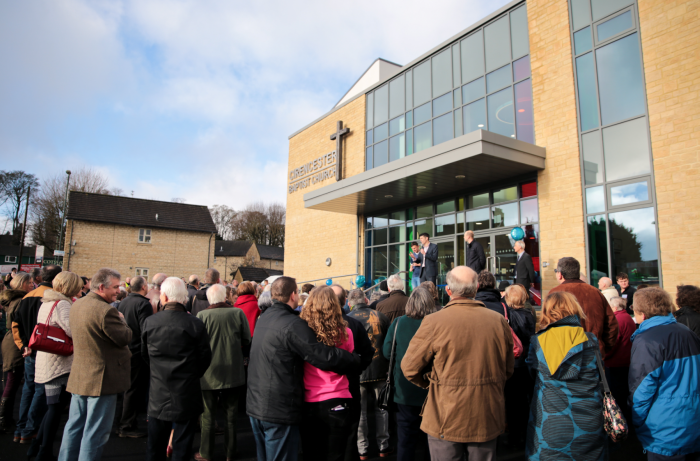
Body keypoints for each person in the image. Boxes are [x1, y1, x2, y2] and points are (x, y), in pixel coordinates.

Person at [402, 266, 514, 460]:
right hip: (485, 411)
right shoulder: (499, 321)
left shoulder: (433, 322)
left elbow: (410, 368)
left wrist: (432, 384)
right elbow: (507, 369)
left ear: (448, 291)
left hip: (445, 414)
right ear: (476, 288)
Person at [246, 276, 360, 461]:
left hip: (257, 403)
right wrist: (354, 359)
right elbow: (320, 355)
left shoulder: (265, 318)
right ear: (293, 295)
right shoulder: (292, 324)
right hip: (279, 407)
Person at [58, 268, 132, 461]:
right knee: (95, 432)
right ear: (101, 287)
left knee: (74, 426)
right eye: (115, 287)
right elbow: (125, 337)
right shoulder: (107, 311)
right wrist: (123, 321)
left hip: (81, 375)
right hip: (101, 379)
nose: (118, 290)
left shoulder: (77, 304)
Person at [526, 291, 607, 460]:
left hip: (551, 423)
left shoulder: (538, 341)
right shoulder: (591, 341)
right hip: (590, 420)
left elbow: (531, 375)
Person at [142, 277, 212, 461]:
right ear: (184, 299)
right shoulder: (194, 323)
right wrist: (192, 374)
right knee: (182, 447)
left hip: (159, 390)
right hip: (186, 390)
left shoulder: (150, 322)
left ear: (163, 297)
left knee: (155, 447)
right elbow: (204, 357)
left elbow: (145, 355)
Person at [629, 287, 700, 460]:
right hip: (692, 420)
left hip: (664, 429)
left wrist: (637, 423)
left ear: (642, 314)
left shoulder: (647, 340)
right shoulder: (687, 332)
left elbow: (640, 390)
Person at [29, 272, 83, 461]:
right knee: (55, 409)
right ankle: (43, 452)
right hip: (59, 364)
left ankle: (36, 448)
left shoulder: (47, 301)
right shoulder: (62, 304)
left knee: (53, 407)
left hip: (48, 361)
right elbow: (72, 329)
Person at [299, 286, 355, 461]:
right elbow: (348, 361)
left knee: (311, 453)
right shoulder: (346, 332)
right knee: (335, 454)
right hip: (338, 397)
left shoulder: (303, 334)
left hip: (310, 399)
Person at [195, 284, 250, 461]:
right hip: (233, 369)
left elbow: (197, 344)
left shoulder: (202, 315)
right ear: (225, 296)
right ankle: (230, 452)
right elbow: (246, 339)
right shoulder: (237, 313)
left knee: (207, 415)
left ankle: (206, 452)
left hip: (208, 372)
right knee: (231, 415)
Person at [383, 287, 435, 461]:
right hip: (431, 389)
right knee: (432, 439)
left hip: (403, 389)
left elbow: (387, 352)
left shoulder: (398, 323)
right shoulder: (436, 323)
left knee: (405, 440)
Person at [12, 264, 62, 444]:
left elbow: (15, 324)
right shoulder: (52, 299)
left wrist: (22, 346)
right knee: (40, 391)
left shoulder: (27, 296)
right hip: (44, 351)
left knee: (28, 390)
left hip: (29, 351)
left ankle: (21, 428)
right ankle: (29, 429)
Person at [347, 288, 392, 459]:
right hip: (380, 368)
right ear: (365, 300)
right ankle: (383, 445)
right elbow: (388, 344)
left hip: (358, 371)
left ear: (350, 304)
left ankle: (362, 448)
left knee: (361, 412)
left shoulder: (348, 320)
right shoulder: (380, 316)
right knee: (382, 409)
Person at [331, 286, 374, 461]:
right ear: (344, 301)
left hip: (341, 386)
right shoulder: (352, 324)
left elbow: (367, 353)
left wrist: (357, 368)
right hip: (346, 385)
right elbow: (367, 353)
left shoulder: (352, 324)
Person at [549, 257, 619, 355]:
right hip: (593, 353)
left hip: (564, 355)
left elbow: (547, 326)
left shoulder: (554, 294)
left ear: (560, 275)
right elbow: (611, 325)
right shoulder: (595, 292)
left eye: (556, 271)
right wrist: (602, 348)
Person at [116, 275, 153, 438]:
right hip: (137, 351)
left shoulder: (124, 301)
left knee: (127, 388)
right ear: (143, 287)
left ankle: (125, 422)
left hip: (125, 348)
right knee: (133, 389)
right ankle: (126, 425)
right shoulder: (143, 304)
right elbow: (146, 330)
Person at [501, 284, 536, 449]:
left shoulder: (510, 316)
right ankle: (526, 433)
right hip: (529, 359)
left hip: (515, 362)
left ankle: (514, 436)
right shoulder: (530, 313)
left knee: (513, 401)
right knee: (526, 399)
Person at [0, 272, 32, 433]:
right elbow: (18, 324)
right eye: (29, 283)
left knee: (11, 381)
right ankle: (3, 419)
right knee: (11, 382)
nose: (32, 285)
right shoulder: (20, 301)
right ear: (22, 284)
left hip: (11, 341)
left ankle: (5, 418)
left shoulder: (13, 300)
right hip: (15, 343)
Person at [604, 296, 636, 418]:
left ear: (615, 307)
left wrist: (604, 356)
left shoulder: (617, 319)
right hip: (625, 361)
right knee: (623, 392)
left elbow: (613, 343)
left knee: (617, 395)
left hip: (616, 362)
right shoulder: (627, 317)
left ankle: (620, 420)